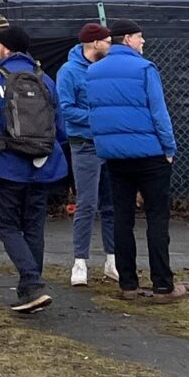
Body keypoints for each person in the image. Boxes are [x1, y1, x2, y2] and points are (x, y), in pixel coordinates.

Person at [0, 19, 67, 314]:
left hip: (5, 164)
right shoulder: (44, 78)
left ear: (6, 47)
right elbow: (59, 126)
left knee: (8, 226)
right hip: (41, 165)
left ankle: (32, 283)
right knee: (34, 227)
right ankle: (30, 290)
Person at [84, 25, 178, 298]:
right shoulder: (145, 69)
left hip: (115, 157)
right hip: (150, 155)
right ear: (128, 39)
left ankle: (128, 283)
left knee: (121, 219)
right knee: (157, 219)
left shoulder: (93, 72)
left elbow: (94, 114)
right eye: (139, 36)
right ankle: (163, 284)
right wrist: (168, 147)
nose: (143, 40)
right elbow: (159, 112)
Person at [52, 23, 116, 286]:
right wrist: (97, 119)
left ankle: (113, 260)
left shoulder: (108, 68)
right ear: (95, 43)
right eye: (108, 42)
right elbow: (66, 109)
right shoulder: (68, 72)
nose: (111, 46)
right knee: (87, 204)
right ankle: (80, 262)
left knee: (112, 205)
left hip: (110, 144)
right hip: (84, 144)